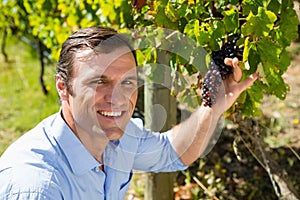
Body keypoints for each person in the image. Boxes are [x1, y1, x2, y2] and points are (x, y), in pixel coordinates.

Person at [0, 26, 258, 199]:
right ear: (63, 87)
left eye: (128, 82)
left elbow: (172, 152)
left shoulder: (118, 138)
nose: (118, 99)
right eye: (99, 82)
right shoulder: (38, 186)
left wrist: (212, 105)